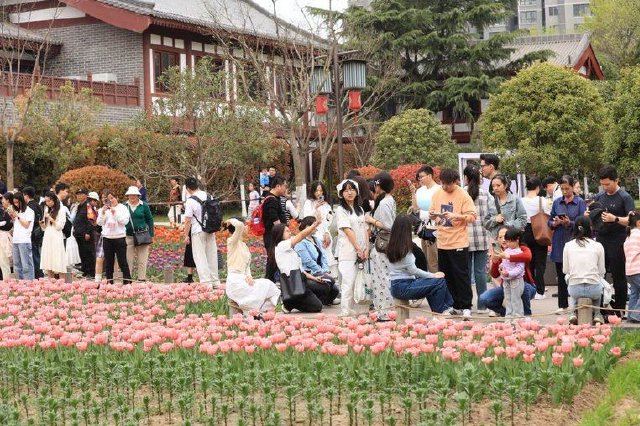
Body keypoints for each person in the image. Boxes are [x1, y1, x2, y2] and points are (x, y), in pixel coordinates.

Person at [429, 168, 477, 319]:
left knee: (461, 275)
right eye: (442, 183)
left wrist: (456, 216)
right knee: (447, 275)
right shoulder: (437, 193)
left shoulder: (463, 194)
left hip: (458, 242)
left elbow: (472, 216)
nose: (445, 187)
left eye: (448, 184)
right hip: (442, 241)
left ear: (455, 181)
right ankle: (454, 305)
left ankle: (466, 306)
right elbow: (432, 211)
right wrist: (434, 216)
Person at [592, 165, 635, 317]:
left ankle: (620, 309)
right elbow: (594, 216)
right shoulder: (599, 197)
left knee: (618, 276)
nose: (605, 187)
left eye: (608, 184)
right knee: (599, 275)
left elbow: (632, 221)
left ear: (617, 180)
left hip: (618, 241)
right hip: (601, 240)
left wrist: (614, 219)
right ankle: (601, 310)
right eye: (602, 184)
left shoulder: (625, 197)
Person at [386, 215, 452, 312]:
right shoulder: (405, 250)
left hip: (396, 285)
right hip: (404, 287)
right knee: (438, 281)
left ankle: (444, 309)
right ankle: (442, 311)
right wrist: (433, 275)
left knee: (433, 282)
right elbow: (414, 271)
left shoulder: (392, 246)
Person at [478, 226, 538, 317]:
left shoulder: (521, 248)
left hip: (524, 284)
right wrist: (495, 263)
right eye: (500, 237)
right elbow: (494, 275)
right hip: (506, 284)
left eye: (506, 237)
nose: (504, 240)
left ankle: (525, 314)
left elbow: (528, 257)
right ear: (497, 239)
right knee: (484, 299)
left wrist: (508, 257)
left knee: (521, 290)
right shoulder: (498, 252)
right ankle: (507, 313)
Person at [548, 175, 587, 314]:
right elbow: (550, 221)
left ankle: (577, 303)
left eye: (567, 188)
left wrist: (569, 222)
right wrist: (555, 223)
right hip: (559, 240)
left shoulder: (580, 202)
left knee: (576, 272)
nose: (565, 191)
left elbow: (583, 222)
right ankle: (563, 304)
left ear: (572, 187)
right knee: (561, 273)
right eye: (563, 189)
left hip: (574, 239)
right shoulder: (557, 202)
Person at [225, 218, 280, 313]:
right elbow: (239, 225)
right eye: (245, 225)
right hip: (235, 280)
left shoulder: (244, 245)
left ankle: (260, 313)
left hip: (244, 278)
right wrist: (231, 220)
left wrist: (249, 276)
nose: (247, 227)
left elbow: (247, 266)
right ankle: (254, 313)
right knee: (260, 289)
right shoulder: (232, 242)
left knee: (269, 285)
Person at [268, 221, 324, 313]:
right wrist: (315, 224)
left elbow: (300, 269)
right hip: (292, 282)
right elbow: (301, 235)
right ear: (279, 234)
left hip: (300, 279)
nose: (290, 232)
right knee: (317, 307)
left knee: (322, 287)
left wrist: (315, 278)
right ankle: (289, 303)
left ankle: (293, 301)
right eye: (286, 231)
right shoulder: (281, 245)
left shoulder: (290, 248)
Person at [334, 179, 370, 316]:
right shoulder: (341, 210)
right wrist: (357, 248)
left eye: (352, 189)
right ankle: (346, 312)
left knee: (360, 282)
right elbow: (347, 230)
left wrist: (366, 248)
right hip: (348, 252)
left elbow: (366, 230)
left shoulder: (360, 209)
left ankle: (359, 312)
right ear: (341, 193)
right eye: (346, 190)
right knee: (348, 282)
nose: (350, 192)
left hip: (362, 251)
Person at [365, 171, 396, 320]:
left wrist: (371, 221)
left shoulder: (383, 203)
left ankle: (384, 312)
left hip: (382, 244)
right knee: (386, 276)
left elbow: (388, 225)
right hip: (388, 243)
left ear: (379, 184)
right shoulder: (389, 199)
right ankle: (386, 311)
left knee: (381, 278)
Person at [563, 216, 605, 324]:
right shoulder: (598, 245)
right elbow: (601, 271)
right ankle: (597, 314)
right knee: (599, 279)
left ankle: (572, 313)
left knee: (568, 279)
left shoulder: (568, 246)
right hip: (594, 290)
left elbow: (565, 270)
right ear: (590, 228)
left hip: (575, 290)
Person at [463, 165, 491, 312]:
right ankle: (482, 305)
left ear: (466, 178)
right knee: (480, 272)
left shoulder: (461, 193)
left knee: (466, 272)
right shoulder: (486, 194)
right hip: (482, 236)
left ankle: (467, 304)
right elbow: (491, 214)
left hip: (464, 237)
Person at [293, 216, 340, 305]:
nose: (316, 227)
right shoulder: (300, 242)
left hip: (320, 271)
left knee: (335, 290)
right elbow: (308, 261)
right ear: (307, 227)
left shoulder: (316, 239)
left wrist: (326, 270)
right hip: (311, 272)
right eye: (314, 225)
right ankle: (316, 299)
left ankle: (325, 300)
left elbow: (323, 256)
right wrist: (321, 271)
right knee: (329, 283)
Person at [183, 177, 220, 287]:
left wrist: (186, 235)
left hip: (198, 231)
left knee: (200, 257)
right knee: (212, 255)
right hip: (211, 229)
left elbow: (188, 220)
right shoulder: (208, 195)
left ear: (188, 188)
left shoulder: (190, 200)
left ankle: (206, 283)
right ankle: (215, 281)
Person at [520, 177, 550, 299]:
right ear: (538, 188)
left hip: (525, 231)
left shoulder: (521, 200)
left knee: (529, 262)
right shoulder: (543, 200)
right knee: (540, 263)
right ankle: (540, 290)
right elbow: (549, 213)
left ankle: (530, 288)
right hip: (540, 230)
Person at [410, 165, 441, 273]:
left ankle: (437, 282)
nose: (420, 179)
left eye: (422, 176)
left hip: (435, 227)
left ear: (430, 175)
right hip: (423, 228)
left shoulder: (438, 189)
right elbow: (415, 208)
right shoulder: (420, 190)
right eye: (419, 177)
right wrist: (413, 192)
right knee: (426, 256)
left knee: (434, 258)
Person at [97, 191, 132, 285]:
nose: (111, 200)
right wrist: (103, 213)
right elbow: (99, 223)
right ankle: (109, 282)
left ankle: (127, 282)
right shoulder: (103, 209)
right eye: (108, 199)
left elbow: (125, 221)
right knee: (109, 262)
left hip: (119, 237)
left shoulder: (122, 208)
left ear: (117, 197)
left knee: (122, 261)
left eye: (112, 198)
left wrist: (115, 213)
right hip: (107, 238)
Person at [125, 186, 154, 282]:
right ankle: (128, 278)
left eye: (134, 195)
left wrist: (151, 234)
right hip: (128, 235)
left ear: (138, 196)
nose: (132, 197)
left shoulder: (144, 205)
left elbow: (150, 219)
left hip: (142, 235)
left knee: (142, 258)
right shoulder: (124, 206)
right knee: (128, 259)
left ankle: (141, 278)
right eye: (130, 195)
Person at [39, 191, 68, 277]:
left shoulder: (61, 209)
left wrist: (52, 219)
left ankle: (62, 283)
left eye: (49, 201)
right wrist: (42, 224)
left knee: (58, 260)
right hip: (48, 236)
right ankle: (50, 283)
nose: (47, 203)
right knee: (48, 260)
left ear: (54, 200)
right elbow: (45, 227)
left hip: (56, 236)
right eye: (46, 201)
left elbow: (60, 226)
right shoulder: (47, 209)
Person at [498, 228, 526, 318]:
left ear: (517, 240)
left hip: (516, 280)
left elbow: (520, 268)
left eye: (510, 241)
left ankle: (517, 316)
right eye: (507, 241)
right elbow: (505, 262)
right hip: (506, 280)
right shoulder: (507, 251)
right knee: (508, 298)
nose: (508, 244)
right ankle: (509, 315)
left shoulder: (519, 253)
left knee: (516, 299)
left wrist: (509, 273)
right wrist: (501, 266)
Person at [9, 192, 35, 280]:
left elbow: (26, 225)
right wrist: (13, 217)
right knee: (16, 265)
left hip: (24, 241)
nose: (15, 204)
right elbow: (16, 225)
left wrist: (17, 216)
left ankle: (29, 283)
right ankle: (18, 284)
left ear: (21, 201)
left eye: (17, 202)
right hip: (16, 240)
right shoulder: (17, 211)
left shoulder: (29, 211)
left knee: (26, 265)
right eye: (14, 202)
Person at [73, 188, 97, 278]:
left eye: (81, 194)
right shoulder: (79, 206)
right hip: (79, 233)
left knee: (89, 253)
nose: (79, 196)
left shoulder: (88, 206)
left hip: (86, 234)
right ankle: (85, 270)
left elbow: (91, 220)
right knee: (82, 253)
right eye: (77, 194)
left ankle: (91, 271)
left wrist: (88, 232)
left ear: (85, 195)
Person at [261, 175, 287, 255]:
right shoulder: (271, 200)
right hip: (274, 238)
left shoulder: (274, 198)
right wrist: (284, 235)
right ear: (278, 186)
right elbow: (276, 222)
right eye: (285, 186)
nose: (285, 189)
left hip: (275, 237)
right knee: (274, 262)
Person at [23, 187, 44, 279]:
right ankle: (39, 273)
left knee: (34, 255)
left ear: (26, 195)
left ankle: (37, 275)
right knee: (37, 253)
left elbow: (31, 221)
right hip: (38, 232)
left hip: (32, 233)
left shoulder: (30, 207)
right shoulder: (38, 205)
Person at [625, 212, 640, 323]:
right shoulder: (639, 234)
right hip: (638, 269)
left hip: (629, 271)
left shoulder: (628, 237)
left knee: (634, 293)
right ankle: (636, 315)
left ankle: (630, 316)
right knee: (635, 292)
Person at [92, 191, 106, 283]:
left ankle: (113, 278)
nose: (105, 199)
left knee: (114, 259)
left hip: (115, 236)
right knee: (99, 258)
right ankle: (97, 280)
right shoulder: (100, 210)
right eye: (103, 197)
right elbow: (98, 223)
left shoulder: (119, 208)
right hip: (103, 235)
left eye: (107, 197)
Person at [0, 193, 13, 280]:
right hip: (4, 236)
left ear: (8, 200)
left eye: (3, 199)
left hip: (5, 237)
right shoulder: (5, 210)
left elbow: (8, 225)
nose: (2, 201)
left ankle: (7, 283)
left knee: (4, 261)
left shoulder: (10, 210)